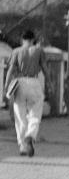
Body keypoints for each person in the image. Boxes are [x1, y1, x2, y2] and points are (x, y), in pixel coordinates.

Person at [4, 29, 48, 157]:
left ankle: (22, 146)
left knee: (20, 116)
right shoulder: (39, 51)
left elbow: (10, 70)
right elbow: (44, 69)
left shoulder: (16, 51)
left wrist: (6, 87)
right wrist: (49, 84)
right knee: (36, 111)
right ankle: (31, 135)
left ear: (21, 40)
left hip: (20, 83)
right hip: (34, 82)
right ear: (33, 39)